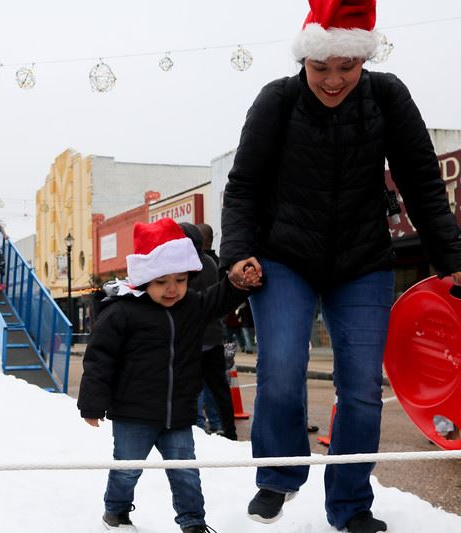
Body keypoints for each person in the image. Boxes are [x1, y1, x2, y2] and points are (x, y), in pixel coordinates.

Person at [220, 2, 461, 531]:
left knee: (359, 388)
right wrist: (237, 254)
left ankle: (351, 504)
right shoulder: (277, 101)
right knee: (280, 370)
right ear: (305, 58)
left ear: (363, 60)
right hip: (285, 257)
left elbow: (422, 179)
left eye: (346, 67)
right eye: (320, 67)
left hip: (362, 261)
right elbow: (243, 187)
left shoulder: (388, 96)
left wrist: (452, 259)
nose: (333, 80)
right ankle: (279, 475)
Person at [77, 218, 261, 533]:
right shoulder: (122, 313)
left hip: (177, 413)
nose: (172, 289)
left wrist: (237, 283)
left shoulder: (191, 306)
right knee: (127, 470)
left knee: (185, 471)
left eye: (180, 279)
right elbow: (100, 359)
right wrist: (93, 404)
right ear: (144, 279)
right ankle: (116, 513)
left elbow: (218, 299)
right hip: (133, 413)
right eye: (162, 281)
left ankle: (193, 522)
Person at [180, 222, 237, 441]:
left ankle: (195, 428)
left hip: (194, 338)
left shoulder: (189, 267)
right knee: (219, 388)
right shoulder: (211, 263)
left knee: (192, 388)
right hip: (212, 336)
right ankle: (228, 430)